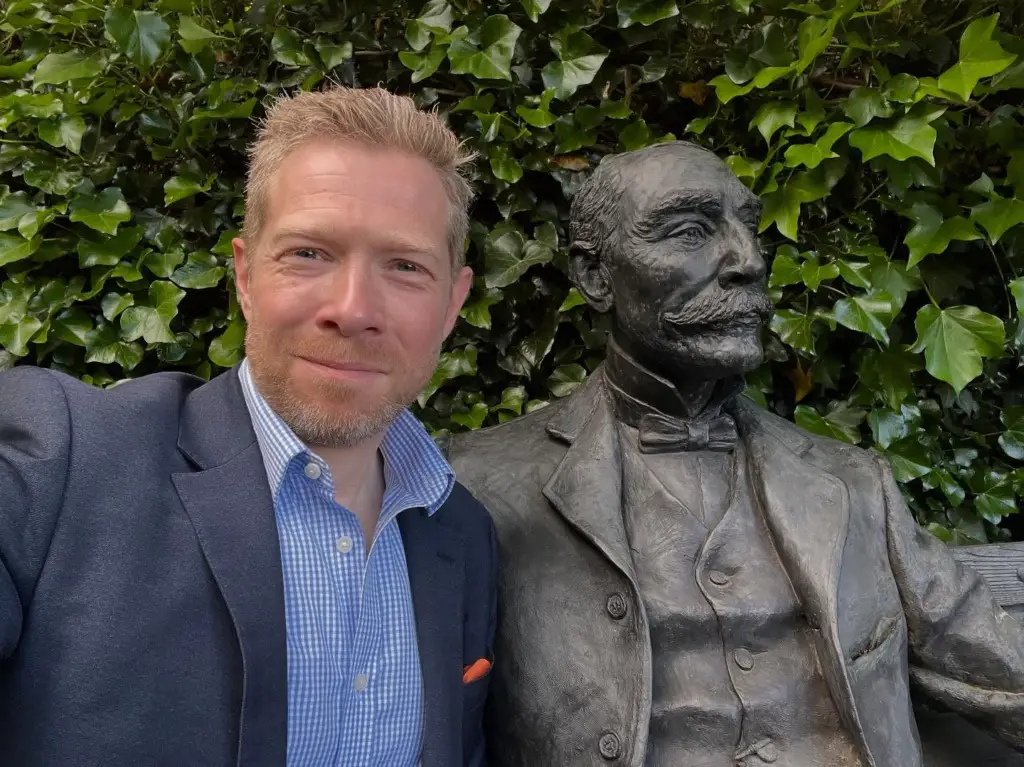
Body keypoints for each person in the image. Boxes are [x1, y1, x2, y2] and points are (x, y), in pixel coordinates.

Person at [443, 142, 1024, 766]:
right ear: (595, 275)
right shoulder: (477, 487)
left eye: (747, 226)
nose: (747, 259)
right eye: (690, 231)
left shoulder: (854, 485)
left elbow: (997, 666)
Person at [0, 86, 496, 767]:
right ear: (244, 275)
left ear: (452, 304)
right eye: (309, 254)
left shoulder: (464, 536)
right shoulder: (63, 457)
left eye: (405, 266)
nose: (352, 309)